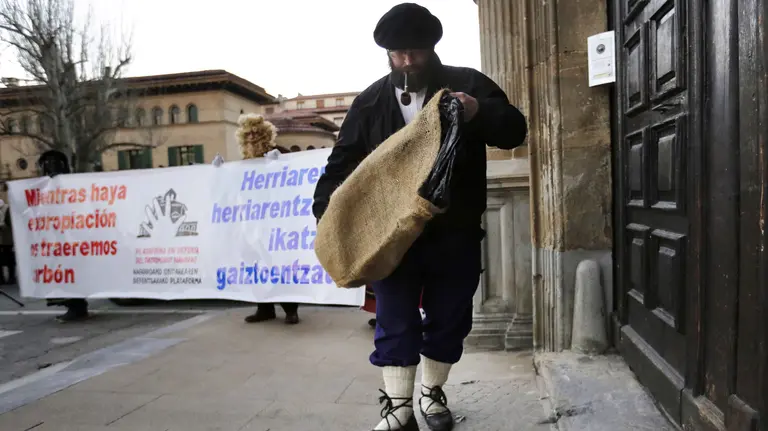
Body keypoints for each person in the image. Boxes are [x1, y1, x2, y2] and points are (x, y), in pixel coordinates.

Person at [312, 4, 528, 431]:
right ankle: (398, 407)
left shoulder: (468, 84)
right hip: (394, 236)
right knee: (394, 317)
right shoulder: (370, 102)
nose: (407, 61)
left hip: (456, 231)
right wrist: (327, 217)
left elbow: (515, 130)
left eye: (415, 51)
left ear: (432, 47)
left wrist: (477, 112)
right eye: (398, 54)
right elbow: (342, 166)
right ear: (387, 54)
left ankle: (432, 395)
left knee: (451, 317)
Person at [234, 113, 300, 325]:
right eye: (248, 134)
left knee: (277, 265)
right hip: (251, 221)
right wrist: (219, 171)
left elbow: (296, 176)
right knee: (254, 265)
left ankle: (290, 309)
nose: (252, 137)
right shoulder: (245, 160)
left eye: (256, 133)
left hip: (275, 222)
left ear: (265, 134)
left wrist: (280, 165)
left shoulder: (279, 153)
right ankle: (264, 307)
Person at [39, 150, 90, 322]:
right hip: (55, 238)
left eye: (53, 163)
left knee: (72, 272)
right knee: (61, 273)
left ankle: (77, 306)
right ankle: (73, 305)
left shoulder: (68, 184)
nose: (50, 167)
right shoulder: (46, 186)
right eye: (48, 163)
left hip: (70, 237)